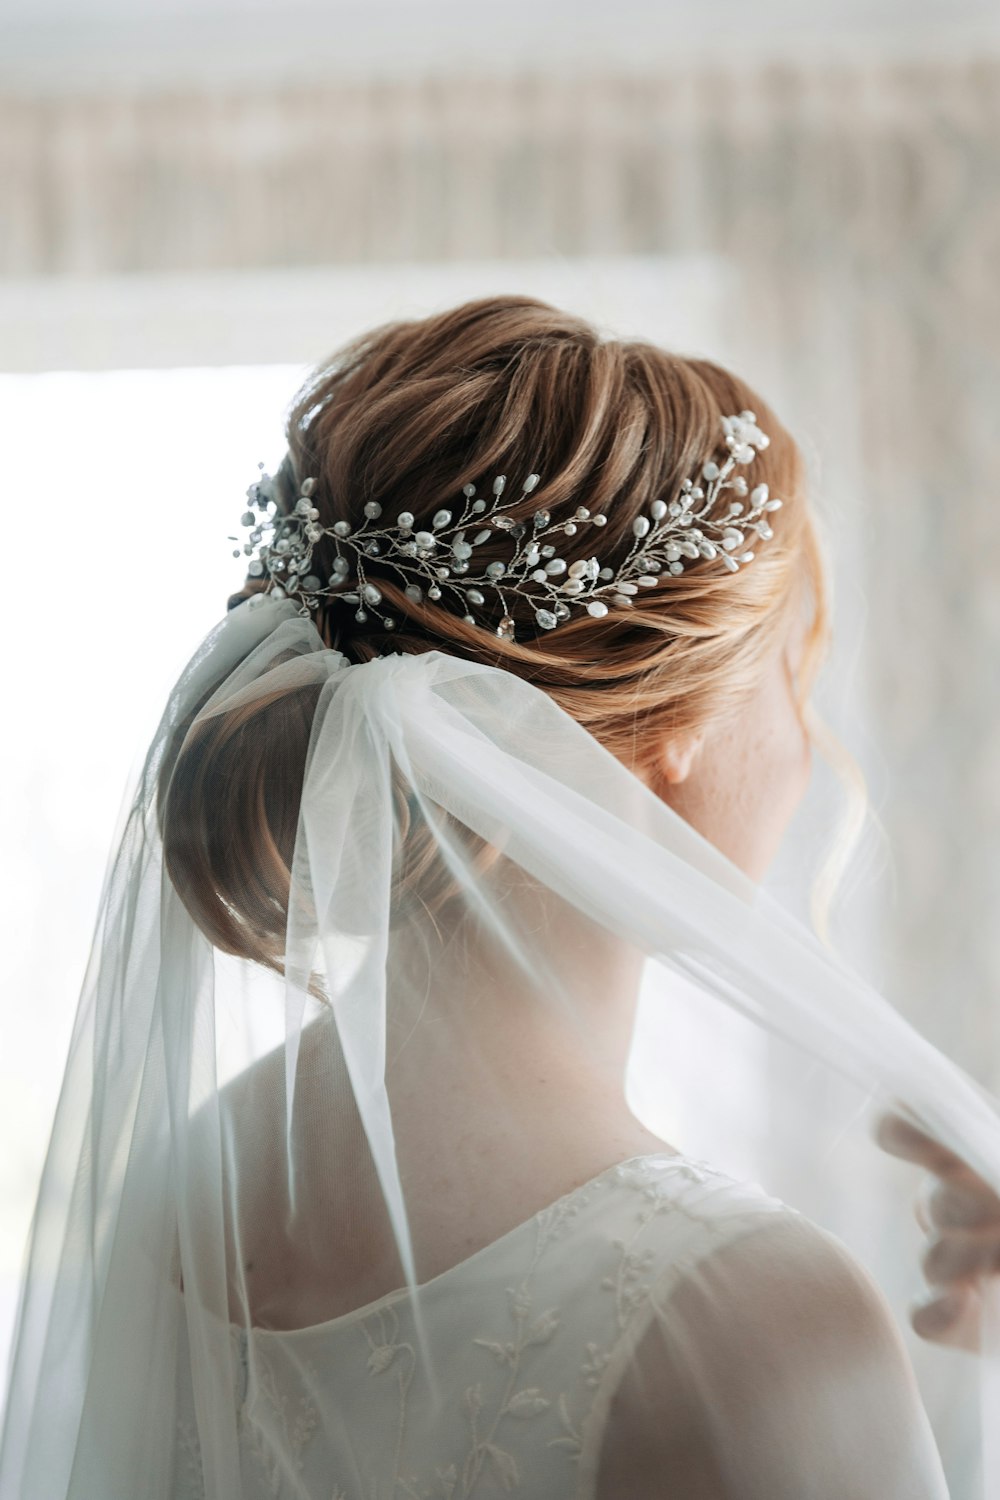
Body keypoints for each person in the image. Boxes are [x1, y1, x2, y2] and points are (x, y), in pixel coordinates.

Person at [3, 294, 1000, 1499]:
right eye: (794, 669)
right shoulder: (756, 1325)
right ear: (675, 725)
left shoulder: (188, 1185)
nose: (811, 741)